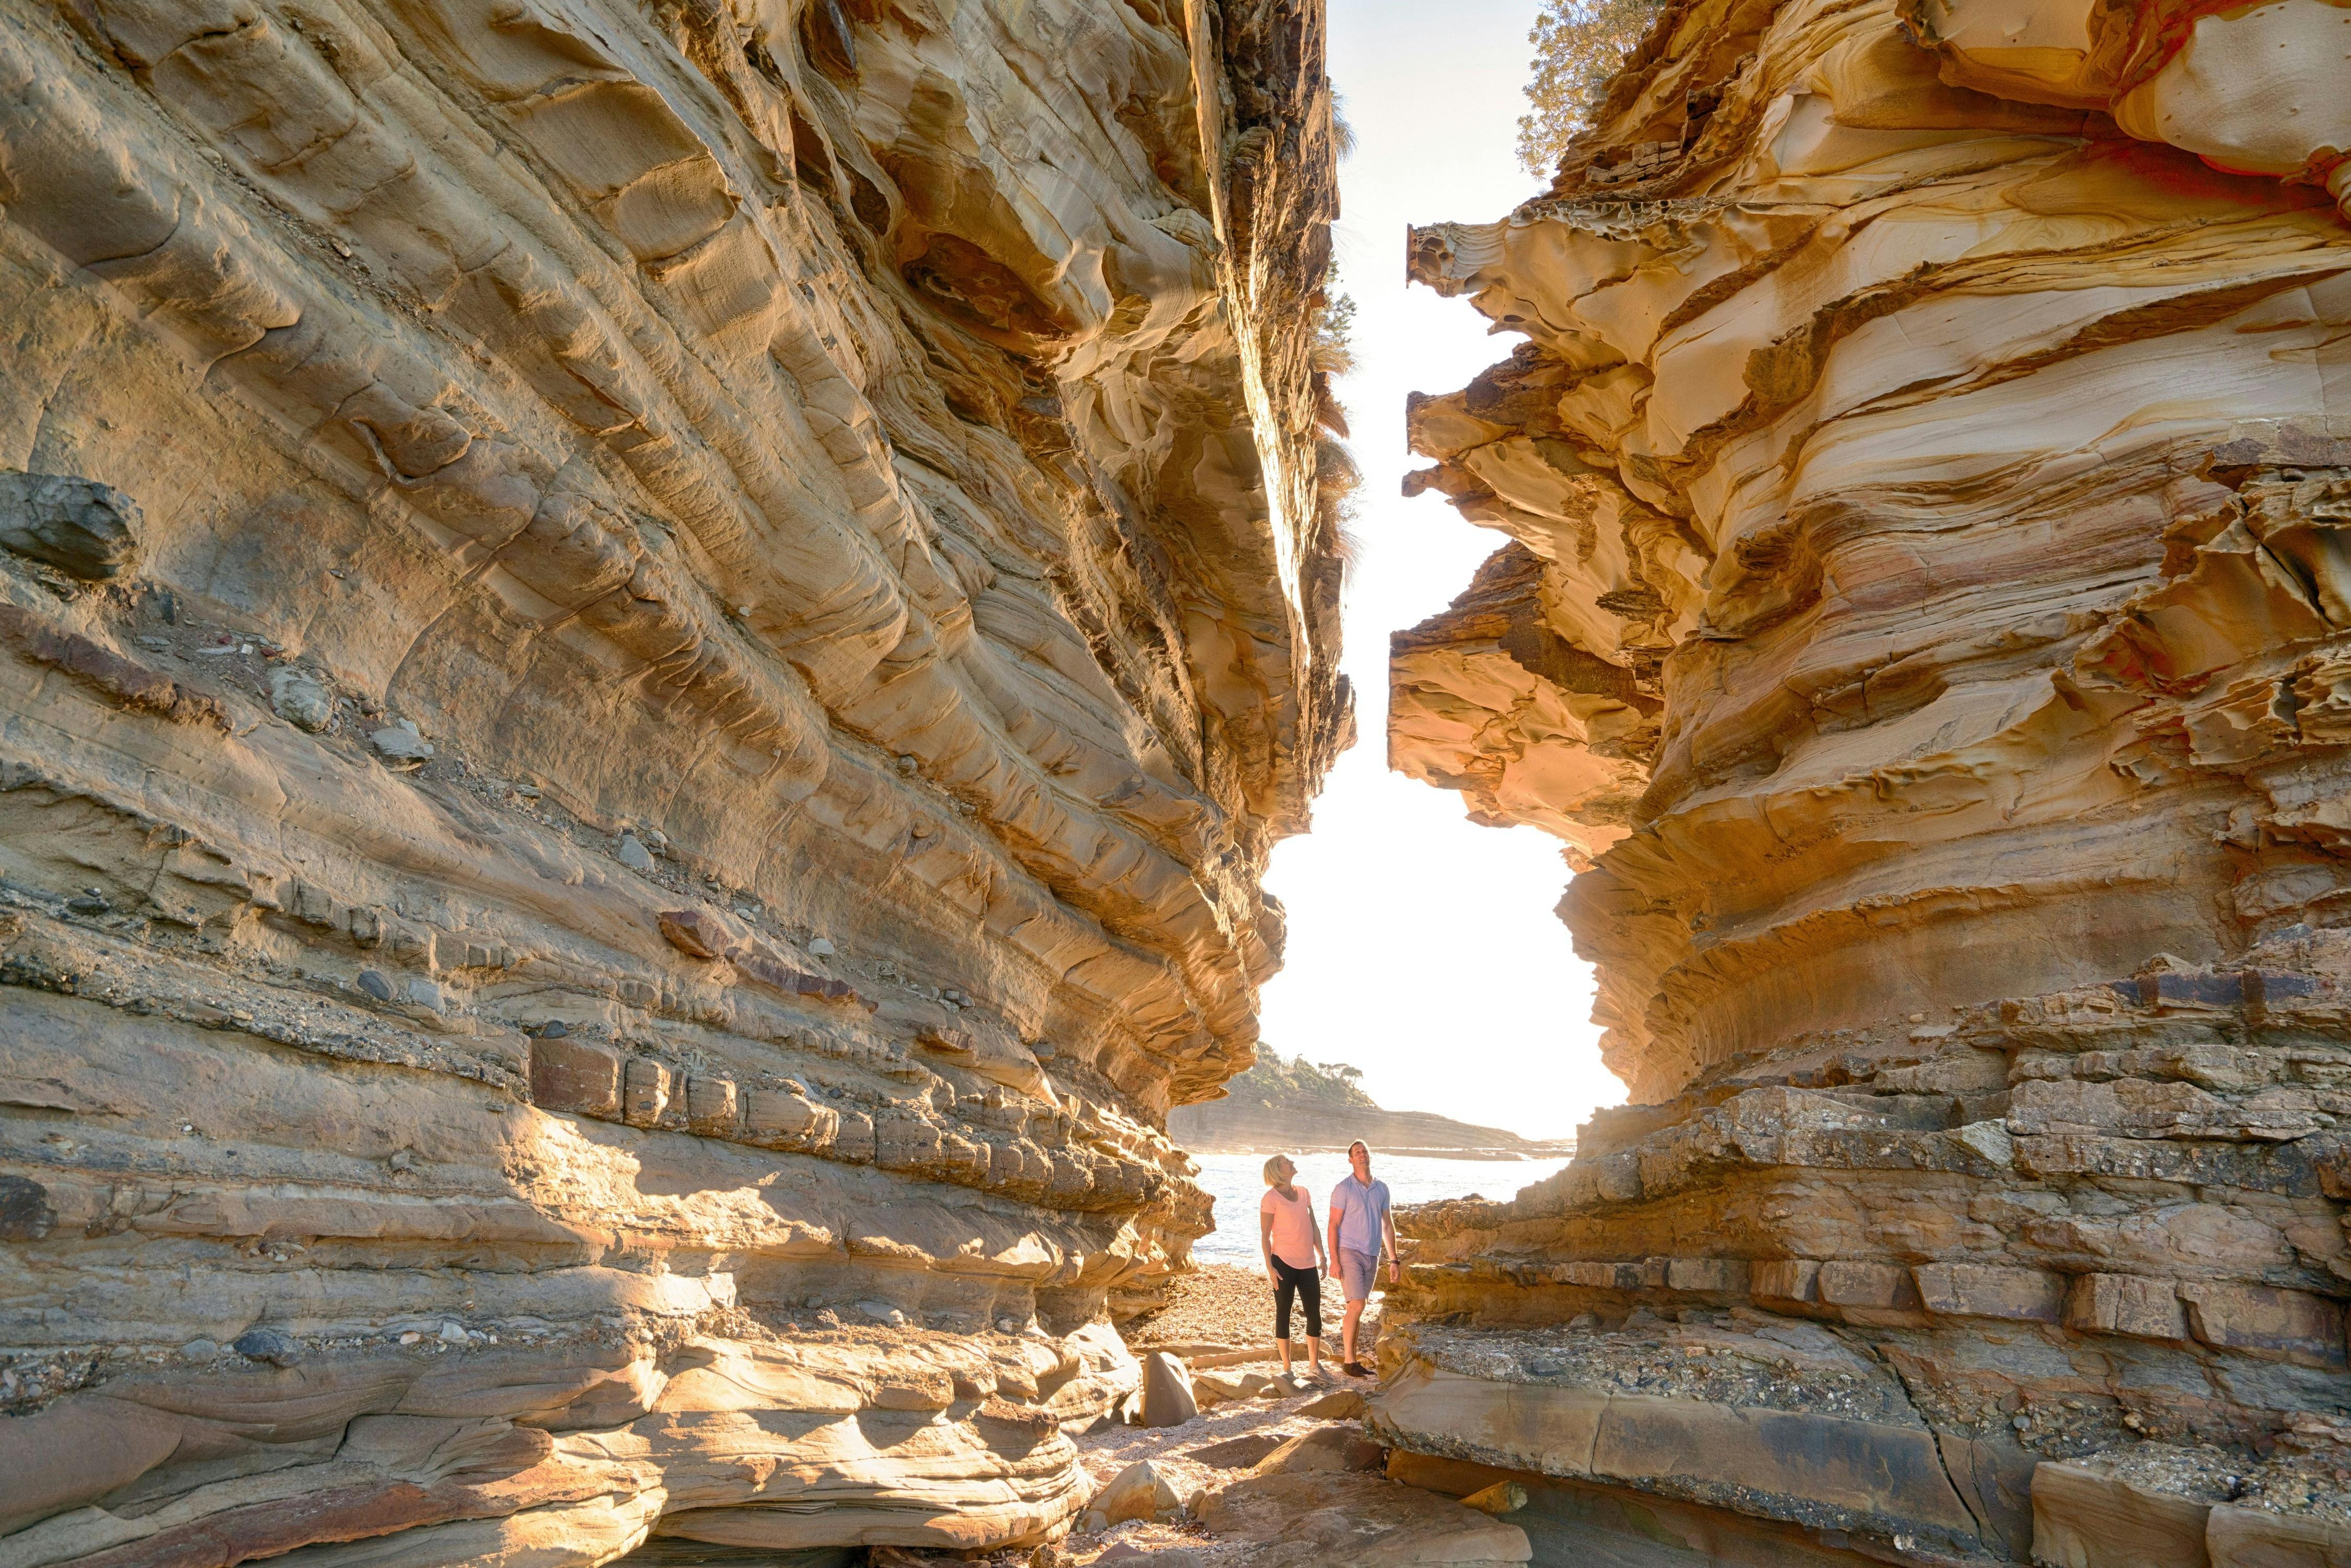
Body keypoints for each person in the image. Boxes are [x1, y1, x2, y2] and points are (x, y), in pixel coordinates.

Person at [1325, 1139, 1398, 1377]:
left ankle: (1352, 1360)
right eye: (1357, 1152)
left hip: (1372, 1254)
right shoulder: (1343, 1188)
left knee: (1358, 1305)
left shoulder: (1382, 1189)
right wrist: (1334, 1260)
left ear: (1369, 1156)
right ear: (1351, 1160)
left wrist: (1394, 1260)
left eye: (1365, 1151)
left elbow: (1387, 1226)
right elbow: (1333, 1225)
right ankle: (1348, 1361)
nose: (1362, 1154)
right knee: (1357, 1304)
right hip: (1349, 1251)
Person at [1258, 1154, 1327, 1381]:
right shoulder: (1270, 1199)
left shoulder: (1305, 1193)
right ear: (1278, 1169)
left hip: (1308, 1264)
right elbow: (1265, 1237)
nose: (1291, 1162)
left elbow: (1313, 1226)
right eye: (1286, 1161)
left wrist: (1322, 1255)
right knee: (1283, 1314)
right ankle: (1287, 1368)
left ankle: (1314, 1365)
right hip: (1283, 1264)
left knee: (1314, 1313)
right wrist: (1270, 1268)